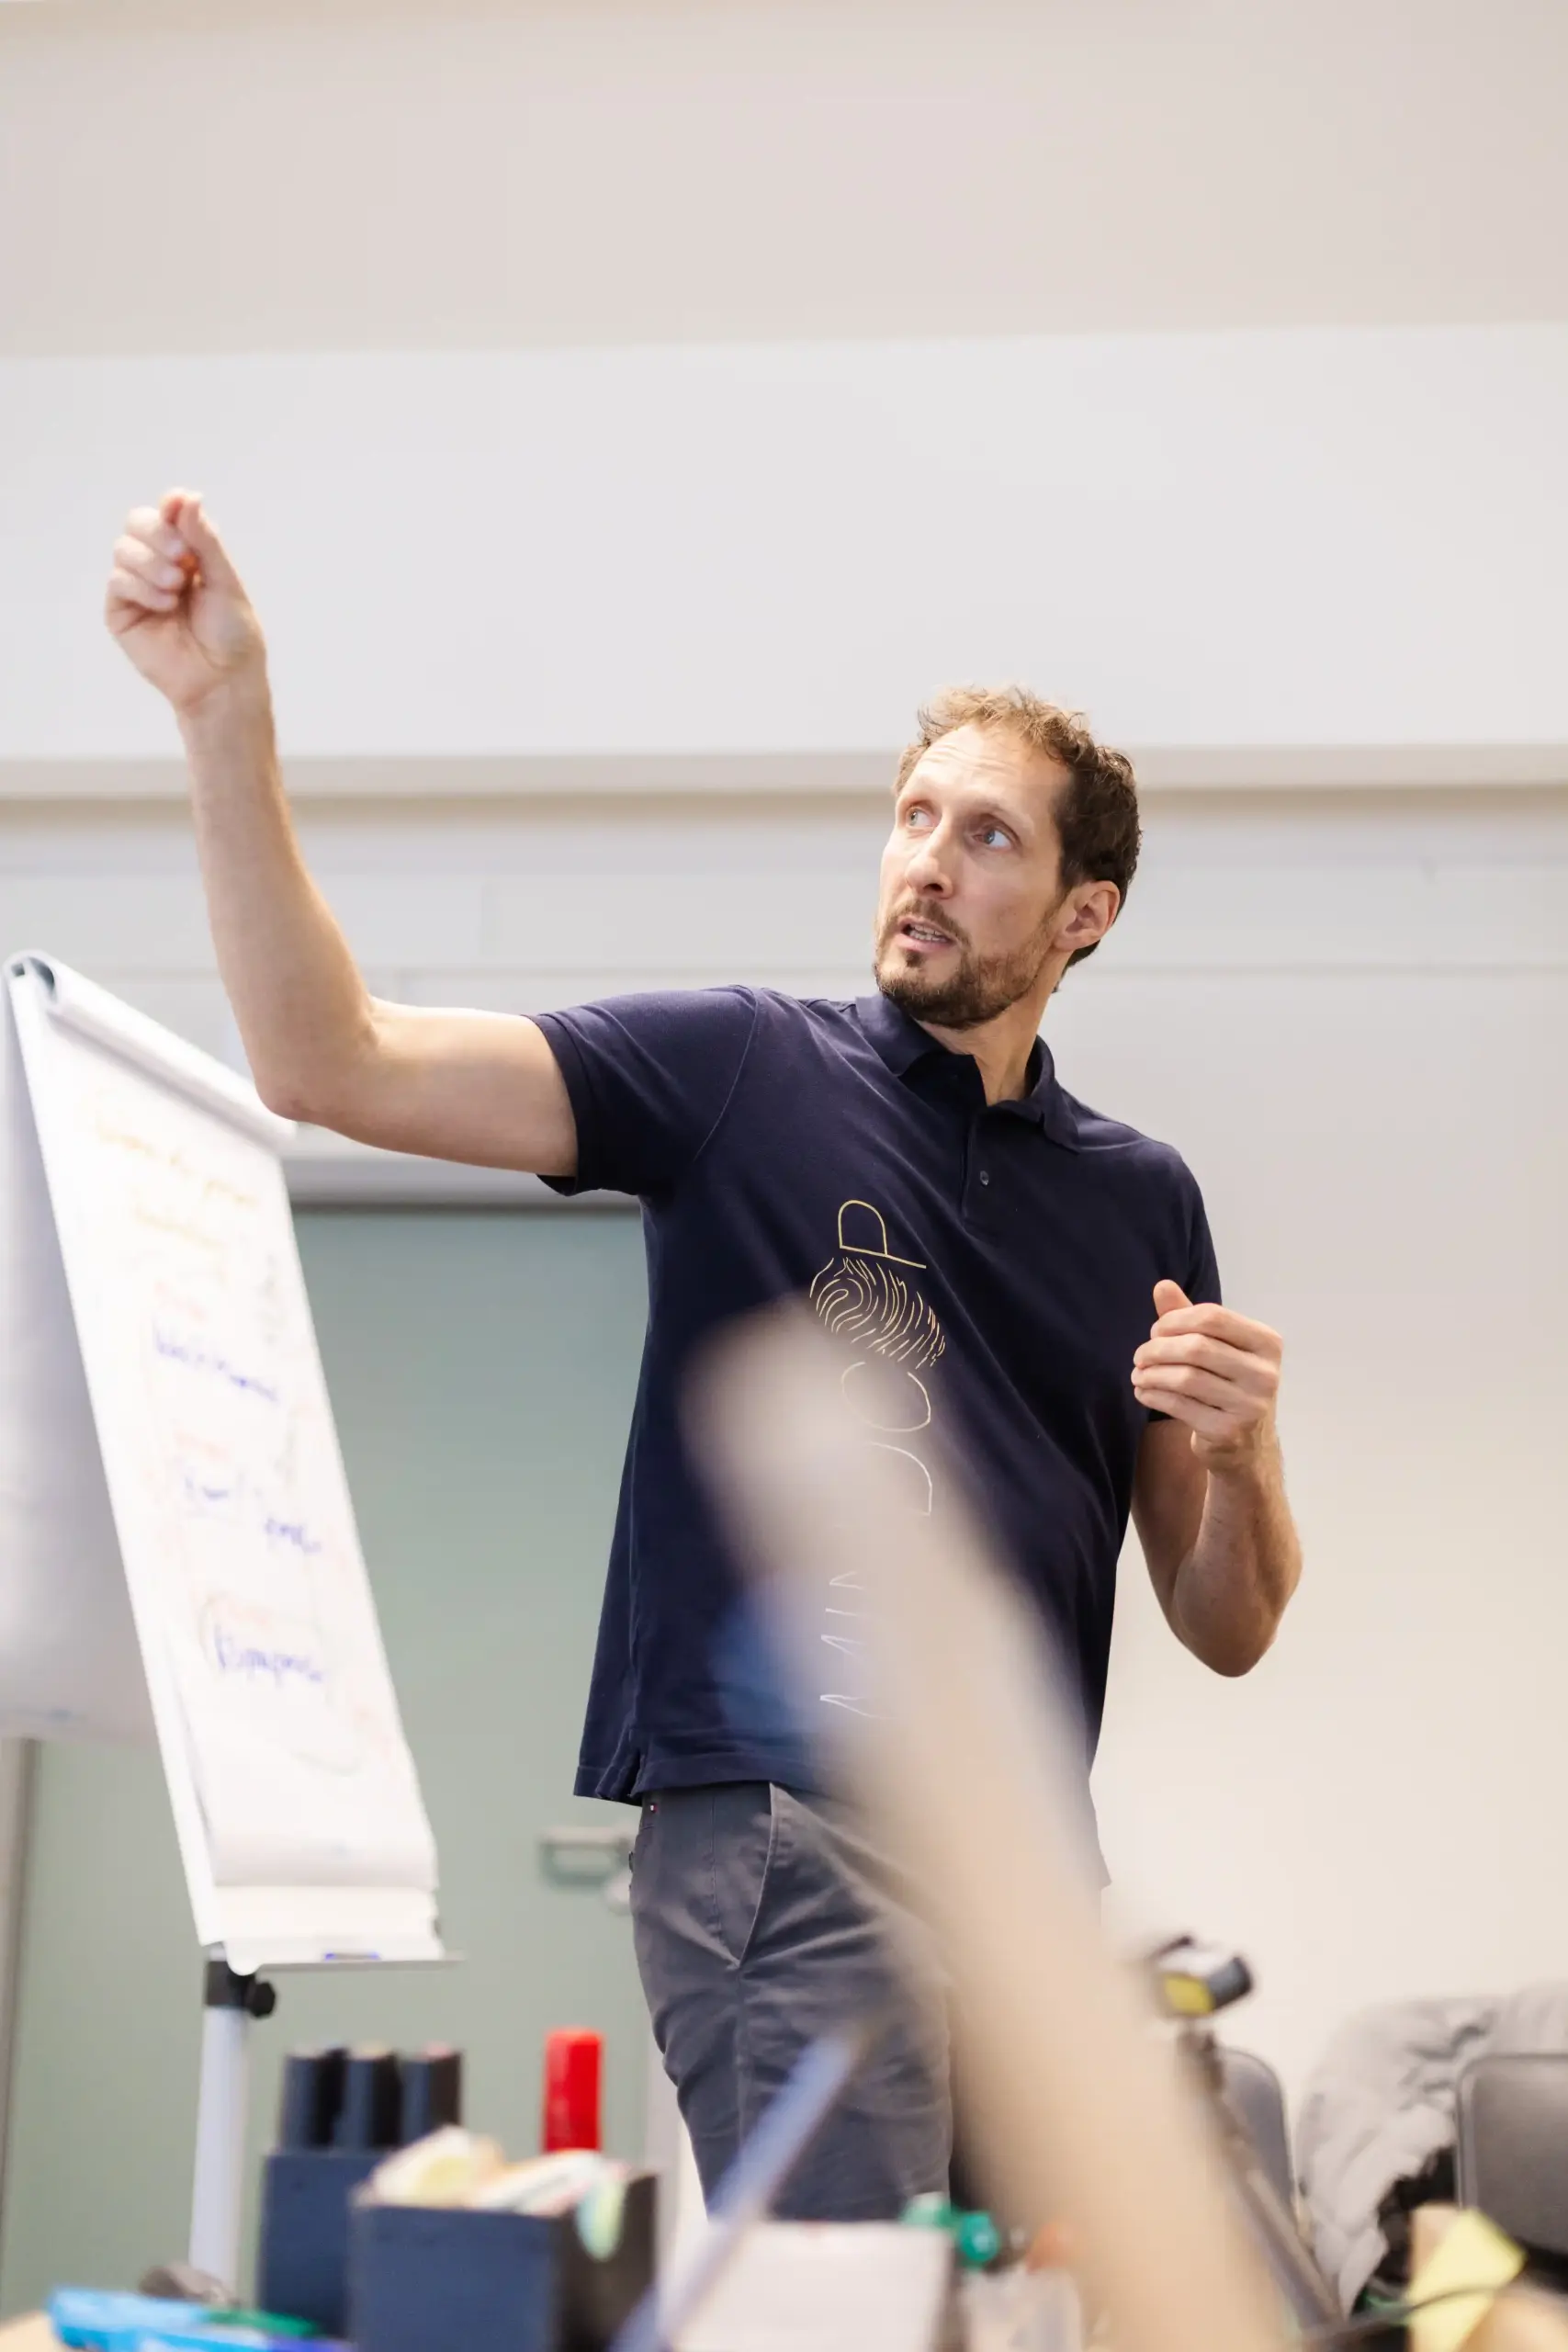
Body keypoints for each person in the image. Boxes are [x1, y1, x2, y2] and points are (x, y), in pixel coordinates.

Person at [106, 489, 1302, 2222]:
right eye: (911, 819)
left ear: (1081, 913)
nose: (924, 863)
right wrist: (226, 715)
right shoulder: (740, 1070)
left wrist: (1250, 1458)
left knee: (1001, 2330)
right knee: (847, 2324)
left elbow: (1228, 1622)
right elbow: (327, 1060)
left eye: (984, 839)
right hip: (788, 1829)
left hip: (1025, 1872)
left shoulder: (1141, 1201)